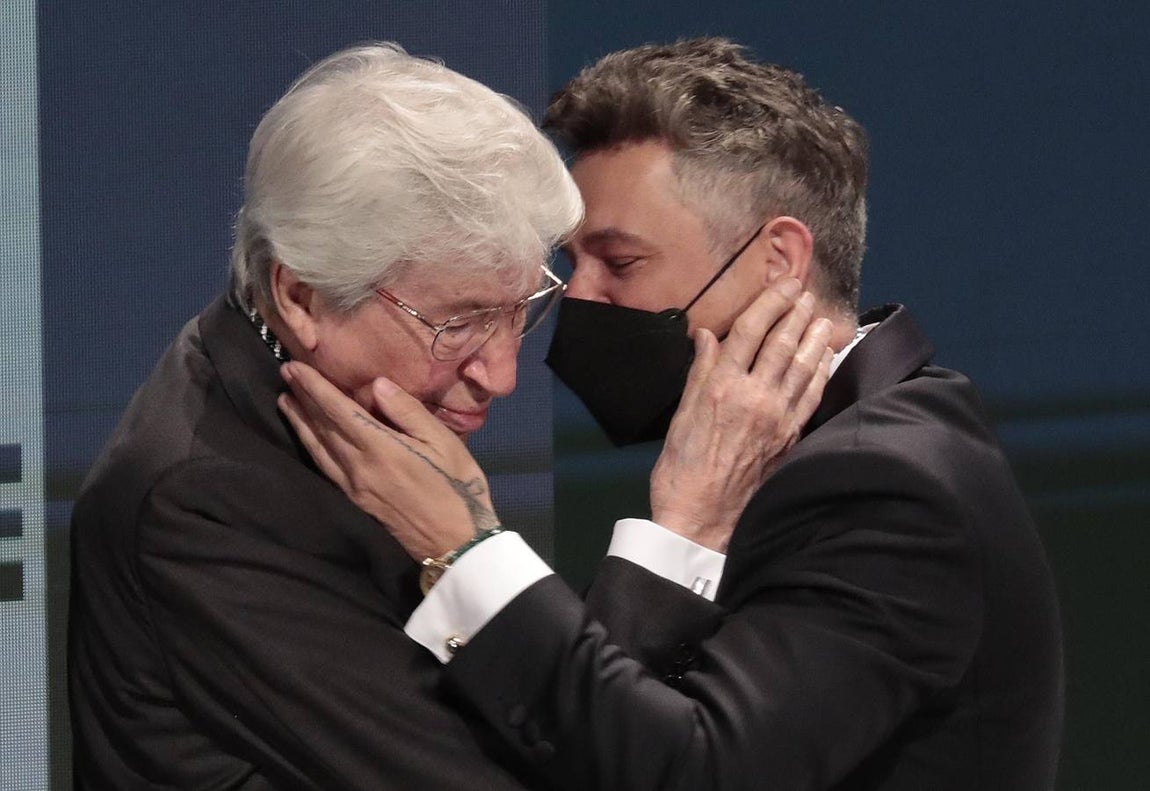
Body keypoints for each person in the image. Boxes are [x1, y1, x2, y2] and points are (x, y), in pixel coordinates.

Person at [279, 37, 1065, 790]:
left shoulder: (883, 488)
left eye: (620, 261)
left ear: (778, 262)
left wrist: (469, 549)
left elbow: (688, 773)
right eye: (571, 263)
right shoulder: (838, 447)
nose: (578, 297)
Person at [67, 42, 589, 790]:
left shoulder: (332, 405)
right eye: (461, 323)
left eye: (520, 310)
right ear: (302, 297)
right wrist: (473, 550)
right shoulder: (204, 504)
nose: (501, 375)